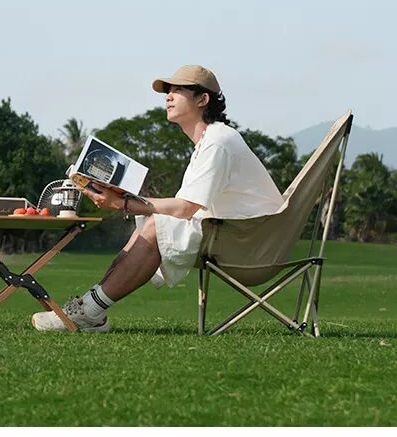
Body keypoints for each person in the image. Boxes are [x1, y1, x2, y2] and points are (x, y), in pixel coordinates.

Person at [31, 65, 284, 332]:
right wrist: (127, 200)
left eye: (178, 90)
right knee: (150, 221)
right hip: (239, 235)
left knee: (154, 224)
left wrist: (123, 203)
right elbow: (185, 207)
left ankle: (89, 312)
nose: (168, 97)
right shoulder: (210, 142)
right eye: (168, 91)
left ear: (203, 99)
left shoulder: (218, 142)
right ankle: (90, 310)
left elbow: (185, 208)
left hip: (252, 244)